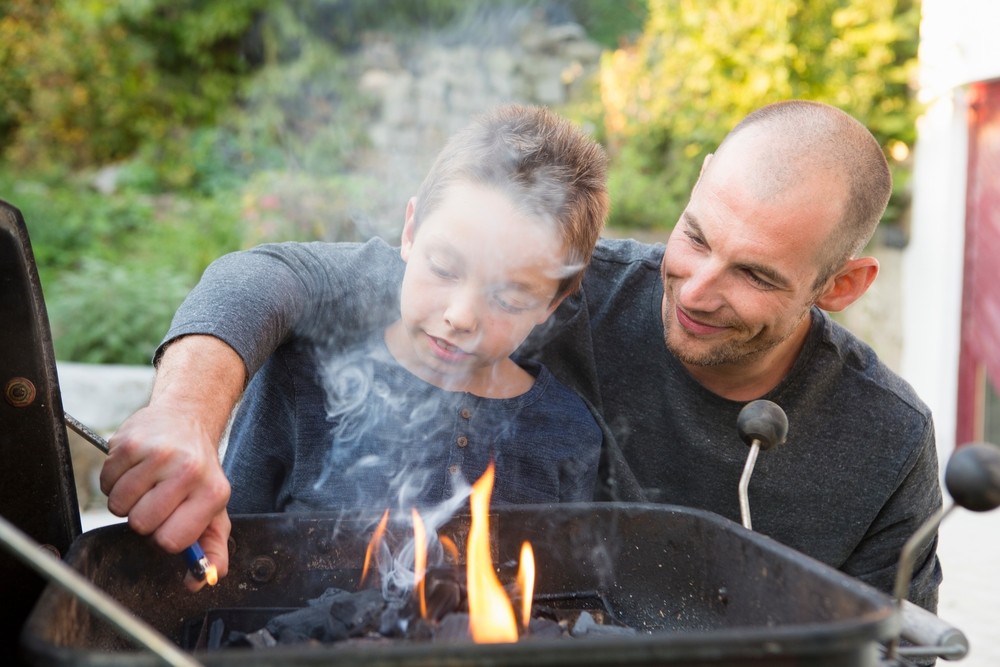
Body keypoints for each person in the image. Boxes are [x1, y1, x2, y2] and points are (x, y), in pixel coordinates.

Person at [101, 100, 941, 613]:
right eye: (695, 234)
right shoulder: (581, 280)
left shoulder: (885, 440)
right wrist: (184, 412)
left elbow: (895, 645)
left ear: (842, 284)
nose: (692, 288)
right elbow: (267, 275)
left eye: (754, 273)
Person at [223, 103, 607, 516]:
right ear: (410, 231)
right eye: (444, 268)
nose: (461, 317)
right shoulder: (303, 379)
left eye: (508, 299)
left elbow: (571, 575)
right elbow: (232, 538)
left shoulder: (567, 430)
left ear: (551, 303)